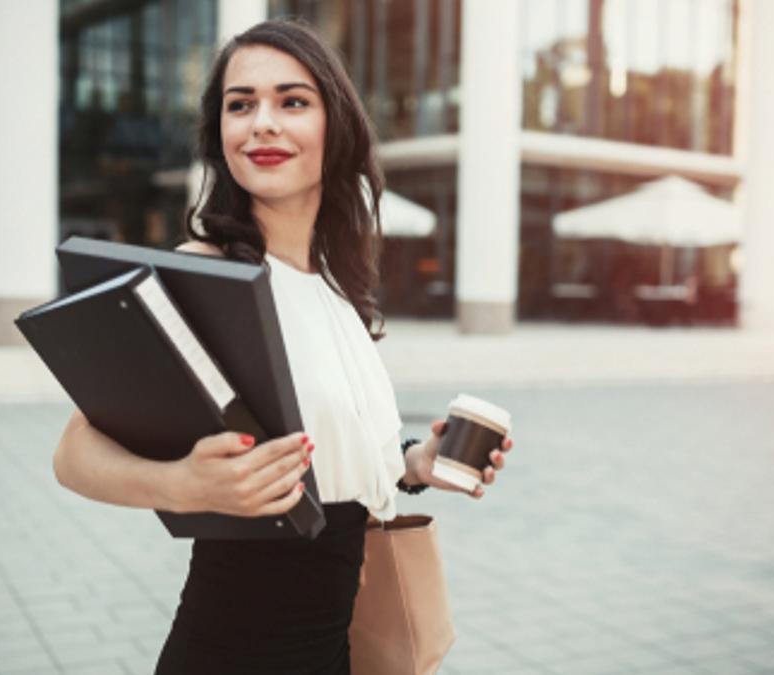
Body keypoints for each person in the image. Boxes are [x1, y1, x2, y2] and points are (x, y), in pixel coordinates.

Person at [52, 19, 515, 675]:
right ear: (221, 132)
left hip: (336, 648)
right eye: (240, 105)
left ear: (337, 126)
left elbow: (333, 462)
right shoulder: (203, 272)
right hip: (240, 649)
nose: (261, 123)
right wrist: (183, 484)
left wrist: (416, 463)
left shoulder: (336, 284)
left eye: (291, 101)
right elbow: (73, 453)